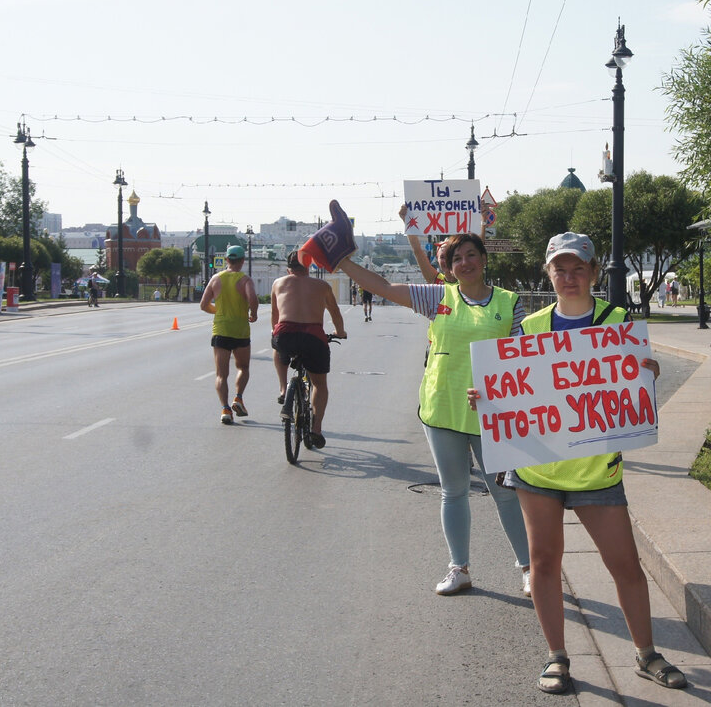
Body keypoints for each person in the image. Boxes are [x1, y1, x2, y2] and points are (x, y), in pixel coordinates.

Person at [471, 232, 685, 695]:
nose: (569, 278)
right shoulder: (529, 327)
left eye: (578, 269)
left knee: (624, 564)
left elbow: (632, 385)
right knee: (544, 562)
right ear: (548, 274)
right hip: (538, 469)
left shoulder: (618, 322)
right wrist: (487, 397)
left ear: (593, 272)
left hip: (596, 471)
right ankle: (557, 656)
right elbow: (514, 386)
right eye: (560, 270)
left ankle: (646, 653)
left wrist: (647, 374)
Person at [331, 222, 530, 597]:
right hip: (443, 409)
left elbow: (522, 356)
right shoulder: (438, 296)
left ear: (484, 259)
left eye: (471, 255)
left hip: (493, 414)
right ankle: (459, 568)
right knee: (453, 491)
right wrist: (342, 262)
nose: (465, 262)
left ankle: (529, 568)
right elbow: (383, 287)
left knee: (504, 493)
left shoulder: (509, 302)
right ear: (449, 268)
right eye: (457, 258)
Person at [271, 251, 347, 449]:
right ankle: (316, 429)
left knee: (277, 346)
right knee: (319, 384)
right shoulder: (322, 286)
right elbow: (335, 312)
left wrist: (275, 334)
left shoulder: (278, 283)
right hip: (313, 336)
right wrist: (340, 332)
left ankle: (283, 388)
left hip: (285, 334)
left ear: (289, 268)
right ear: (308, 266)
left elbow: (275, 315)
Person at [199, 245, 259, 425]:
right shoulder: (245, 280)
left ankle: (225, 409)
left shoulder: (216, 279)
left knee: (221, 374)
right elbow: (252, 298)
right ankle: (238, 398)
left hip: (221, 330)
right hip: (240, 331)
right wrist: (253, 313)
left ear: (226, 260)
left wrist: (218, 311)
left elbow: (203, 304)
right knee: (243, 367)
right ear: (242, 261)